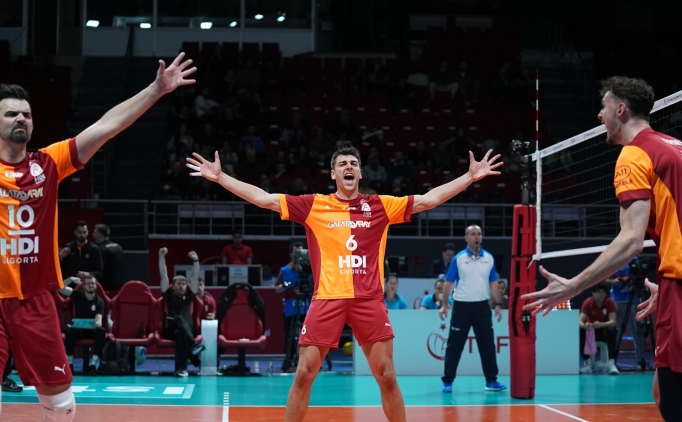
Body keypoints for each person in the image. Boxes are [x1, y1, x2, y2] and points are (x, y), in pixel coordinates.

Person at [187, 144, 501, 422]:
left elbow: (428, 200)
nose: (348, 167)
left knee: (387, 376)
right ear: (333, 174)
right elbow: (264, 199)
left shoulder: (380, 205)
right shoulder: (314, 205)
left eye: (353, 163)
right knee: (303, 374)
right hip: (328, 298)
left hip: (369, 300)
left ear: (360, 173)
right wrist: (221, 177)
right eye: (342, 164)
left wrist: (469, 177)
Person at [0, 54, 194, 421]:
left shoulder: (49, 163)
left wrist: (156, 90)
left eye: (26, 114)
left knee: (62, 407)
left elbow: (106, 125)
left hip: (36, 299)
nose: (21, 118)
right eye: (11, 114)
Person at [522, 76, 682, 421]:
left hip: (679, 284)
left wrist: (573, 285)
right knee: (661, 389)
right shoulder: (676, 146)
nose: (599, 115)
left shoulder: (634, 154)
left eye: (604, 107)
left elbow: (631, 239)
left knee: (673, 399)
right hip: (673, 283)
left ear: (620, 110)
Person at [439, 225, 506, 393]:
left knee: (487, 345)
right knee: (454, 346)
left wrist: (498, 304)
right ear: (466, 238)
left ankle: (491, 380)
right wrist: (444, 304)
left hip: (482, 307)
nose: (477, 237)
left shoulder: (489, 258)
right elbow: (449, 282)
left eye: (479, 234)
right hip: (462, 307)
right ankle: (448, 381)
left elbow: (493, 283)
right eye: (473, 234)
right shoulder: (459, 259)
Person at [159, 248, 206, 377]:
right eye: (179, 284)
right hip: (169, 328)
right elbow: (163, 275)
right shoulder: (168, 294)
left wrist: (196, 261)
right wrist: (161, 257)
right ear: (173, 286)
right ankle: (194, 345)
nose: (182, 286)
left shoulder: (190, 295)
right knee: (179, 319)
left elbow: (195, 277)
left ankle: (181, 369)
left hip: (187, 330)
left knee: (179, 334)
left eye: (184, 284)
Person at [604, 261, 648, 370]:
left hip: (634, 300)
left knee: (637, 331)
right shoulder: (616, 260)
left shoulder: (637, 261)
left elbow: (643, 278)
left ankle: (641, 360)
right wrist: (614, 281)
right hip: (618, 300)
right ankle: (613, 361)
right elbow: (605, 279)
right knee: (617, 332)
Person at [58, 275, 107, 375]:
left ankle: (93, 365)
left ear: (96, 285)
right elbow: (60, 288)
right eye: (88, 283)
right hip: (79, 331)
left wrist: (96, 324)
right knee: (70, 330)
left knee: (102, 331)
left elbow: (99, 321)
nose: (91, 285)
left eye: (93, 283)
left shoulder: (100, 302)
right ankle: (70, 364)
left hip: (92, 330)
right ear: (83, 286)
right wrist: (70, 279)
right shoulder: (78, 295)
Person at [275, 243, 309, 371]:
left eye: (301, 252)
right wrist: (285, 287)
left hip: (306, 309)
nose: (298, 256)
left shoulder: (309, 270)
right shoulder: (284, 270)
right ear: (291, 254)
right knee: (289, 337)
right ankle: (289, 361)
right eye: (296, 253)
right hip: (290, 310)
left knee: (307, 337)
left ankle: (306, 361)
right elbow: (276, 288)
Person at [579, 283, 619, 375]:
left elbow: (613, 321)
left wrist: (601, 324)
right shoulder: (587, 302)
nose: (601, 294)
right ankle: (588, 363)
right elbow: (580, 321)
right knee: (580, 331)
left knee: (612, 330)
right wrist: (585, 325)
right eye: (598, 292)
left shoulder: (609, 302)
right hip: (591, 332)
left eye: (603, 292)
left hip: (604, 331)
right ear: (593, 293)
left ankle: (611, 363)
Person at [92, 224, 127, 293]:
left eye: (95, 232)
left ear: (99, 234)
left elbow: (100, 271)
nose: (93, 234)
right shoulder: (118, 246)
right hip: (121, 286)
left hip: (108, 288)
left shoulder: (101, 250)